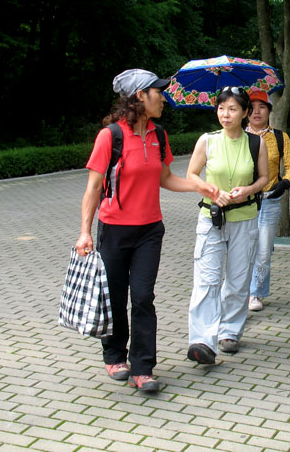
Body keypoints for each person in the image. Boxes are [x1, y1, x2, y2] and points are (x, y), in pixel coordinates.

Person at [74, 69, 218, 392]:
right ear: (140, 95)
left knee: (142, 297)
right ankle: (114, 355)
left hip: (150, 231)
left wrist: (201, 188)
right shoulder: (110, 136)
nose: (163, 98)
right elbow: (93, 188)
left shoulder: (159, 134)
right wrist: (85, 231)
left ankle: (143, 368)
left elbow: (166, 178)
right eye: (158, 92)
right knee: (114, 297)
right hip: (113, 230)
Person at [185, 87, 269, 363]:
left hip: (244, 219)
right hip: (211, 219)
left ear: (245, 113)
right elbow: (191, 175)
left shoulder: (256, 143)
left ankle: (229, 331)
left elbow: (264, 179)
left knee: (237, 280)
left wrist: (247, 190)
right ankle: (201, 340)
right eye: (222, 108)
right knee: (207, 281)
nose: (225, 114)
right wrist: (211, 191)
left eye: (232, 109)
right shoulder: (207, 141)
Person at [245, 91, 290, 312]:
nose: (257, 112)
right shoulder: (237, 136)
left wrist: (285, 183)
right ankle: (240, 291)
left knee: (264, 250)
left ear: (269, 110)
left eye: (262, 107)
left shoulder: (279, 137)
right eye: (252, 107)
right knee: (243, 249)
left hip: (269, 201)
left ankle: (255, 293)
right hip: (243, 202)